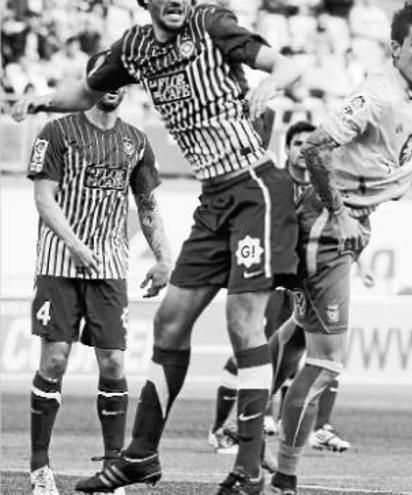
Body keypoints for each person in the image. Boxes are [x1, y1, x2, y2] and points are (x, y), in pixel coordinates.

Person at [12, 0, 303, 493]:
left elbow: (287, 65)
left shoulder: (210, 23)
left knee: (242, 322)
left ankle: (248, 470)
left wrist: (273, 83)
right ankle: (141, 455)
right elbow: (84, 91)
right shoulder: (133, 48)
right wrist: (38, 102)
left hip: (255, 188)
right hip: (215, 199)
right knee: (169, 323)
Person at [264, 2, 412, 493]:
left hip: (344, 221)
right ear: (396, 48)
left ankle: (249, 415)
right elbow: (313, 147)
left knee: (297, 334)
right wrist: (341, 213)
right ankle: (283, 477)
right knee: (325, 362)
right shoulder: (377, 94)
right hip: (327, 224)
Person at [26, 58, 171, 495]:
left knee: (112, 362)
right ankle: (39, 468)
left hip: (109, 268)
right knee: (54, 360)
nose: (113, 86)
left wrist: (165, 258)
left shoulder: (136, 141)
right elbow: (44, 198)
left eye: (120, 79)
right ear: (91, 83)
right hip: (59, 263)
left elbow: (147, 206)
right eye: (104, 78)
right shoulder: (56, 133)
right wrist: (74, 243)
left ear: (125, 87)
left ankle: (113, 470)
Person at [209, 121, 352, 455]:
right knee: (259, 349)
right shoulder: (275, 185)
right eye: (297, 143)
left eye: (310, 145)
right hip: (273, 280)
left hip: (306, 281)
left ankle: (314, 427)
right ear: (287, 148)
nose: (303, 151)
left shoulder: (325, 189)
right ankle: (229, 427)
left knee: (317, 347)